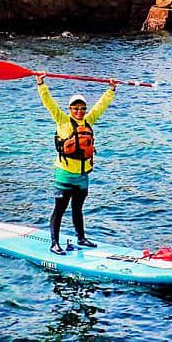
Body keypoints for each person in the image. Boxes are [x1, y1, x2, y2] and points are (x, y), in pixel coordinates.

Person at [36, 73, 116, 255]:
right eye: (75, 108)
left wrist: (111, 90)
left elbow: (101, 106)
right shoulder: (62, 120)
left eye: (82, 108)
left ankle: (81, 237)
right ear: (70, 109)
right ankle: (54, 243)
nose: (79, 111)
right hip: (64, 174)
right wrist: (41, 84)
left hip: (82, 176)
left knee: (78, 209)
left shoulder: (89, 120)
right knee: (60, 209)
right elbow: (49, 103)